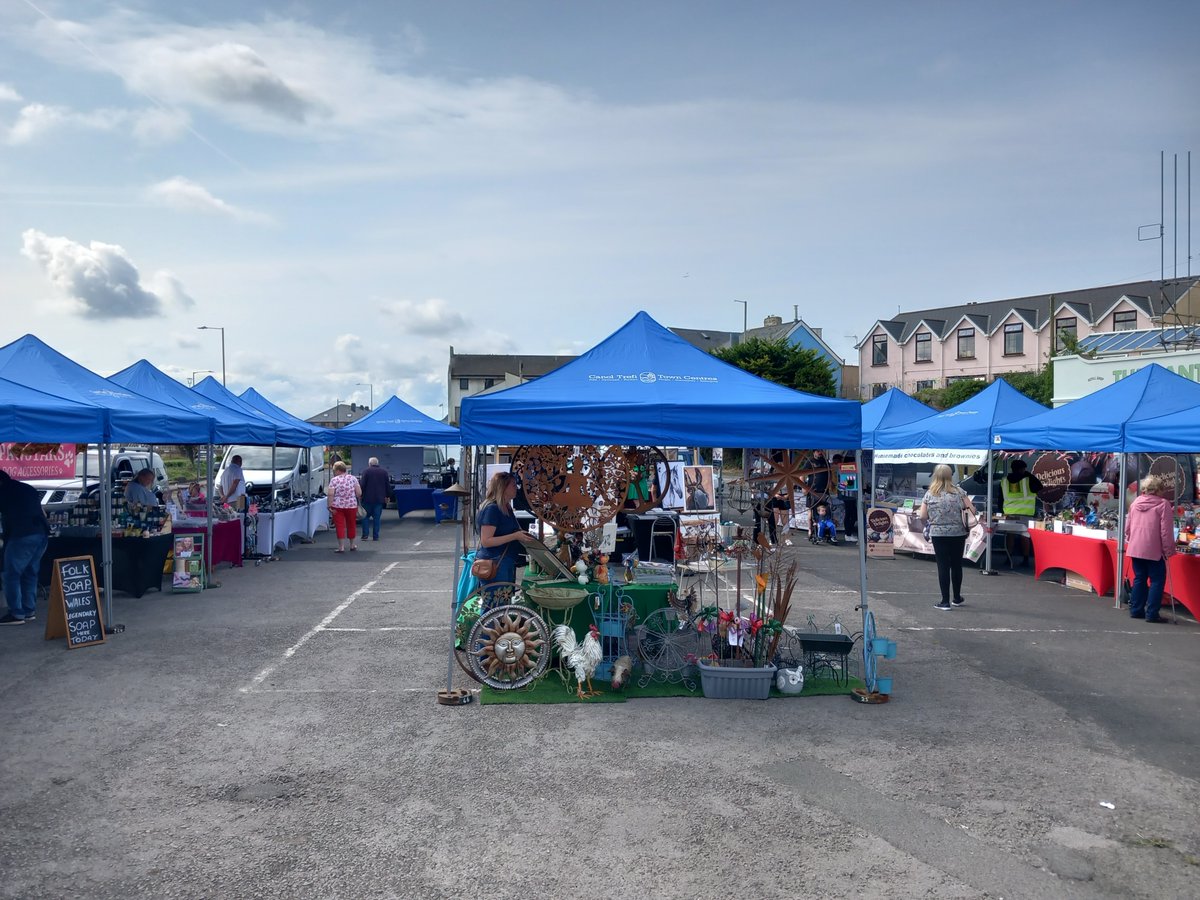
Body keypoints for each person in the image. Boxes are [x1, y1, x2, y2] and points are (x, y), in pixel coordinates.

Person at [919, 464, 976, 610]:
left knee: (943, 566)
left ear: (936, 475)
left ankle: (945, 601)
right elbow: (972, 510)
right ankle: (957, 597)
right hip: (958, 533)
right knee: (956, 565)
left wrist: (930, 522)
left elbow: (922, 516)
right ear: (950, 475)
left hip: (938, 533)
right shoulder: (959, 492)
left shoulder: (930, 494)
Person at [475, 471, 534, 608]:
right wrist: (515, 536)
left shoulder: (506, 507)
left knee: (503, 607)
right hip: (495, 565)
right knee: (493, 608)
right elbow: (486, 541)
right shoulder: (492, 509)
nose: (516, 488)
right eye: (513, 485)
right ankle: (486, 630)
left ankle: (497, 629)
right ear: (503, 487)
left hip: (504, 562)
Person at [0, 469, 51, 625]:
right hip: (41, 533)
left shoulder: (3, 492)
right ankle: (29, 610)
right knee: (30, 572)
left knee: (10, 574)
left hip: (22, 535)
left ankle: (16, 613)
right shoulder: (26, 488)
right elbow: (43, 512)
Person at [1124, 474, 1175, 623]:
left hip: (1136, 548)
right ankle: (1152, 613)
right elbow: (1166, 531)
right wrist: (1168, 550)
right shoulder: (1163, 504)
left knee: (1139, 578)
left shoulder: (1135, 503)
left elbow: (1128, 528)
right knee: (1157, 581)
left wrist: (1131, 540)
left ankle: (1136, 610)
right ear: (1158, 489)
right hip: (1154, 549)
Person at [1002, 459, 1042, 566]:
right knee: (1025, 535)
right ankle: (1025, 560)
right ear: (1023, 469)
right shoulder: (1028, 479)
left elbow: (1000, 498)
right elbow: (1039, 486)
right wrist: (1029, 474)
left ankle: (1008, 558)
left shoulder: (1005, 480)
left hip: (1009, 512)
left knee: (1010, 535)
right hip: (1026, 512)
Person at [326, 461, 361, 552]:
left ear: (338, 470)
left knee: (340, 526)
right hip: (351, 505)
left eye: (334, 470)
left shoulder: (334, 480)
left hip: (338, 506)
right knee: (351, 524)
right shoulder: (353, 478)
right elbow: (359, 493)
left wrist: (329, 505)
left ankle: (341, 547)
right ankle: (352, 545)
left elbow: (330, 494)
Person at [359, 457, 390, 542]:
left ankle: (365, 535)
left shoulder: (366, 471)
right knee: (377, 518)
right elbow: (387, 485)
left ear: (369, 464)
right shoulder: (384, 472)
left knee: (365, 517)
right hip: (379, 499)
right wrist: (387, 496)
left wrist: (360, 494)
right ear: (377, 463)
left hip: (367, 499)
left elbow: (362, 485)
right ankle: (375, 536)